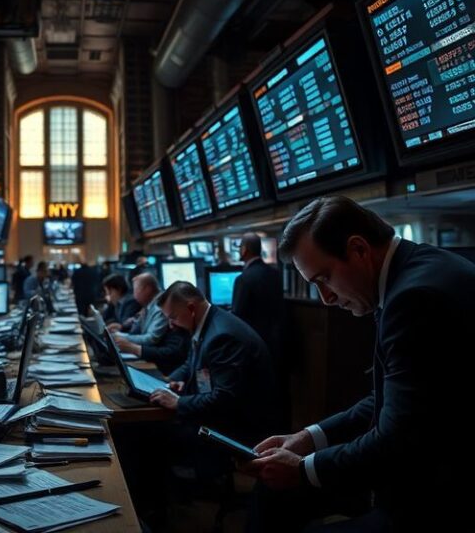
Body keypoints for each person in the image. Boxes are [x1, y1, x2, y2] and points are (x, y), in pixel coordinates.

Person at [242, 196, 475, 532]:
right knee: (274, 492)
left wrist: (304, 468)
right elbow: (387, 400)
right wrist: (309, 437)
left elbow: (396, 441)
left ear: (359, 250)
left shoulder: (414, 300)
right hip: (420, 467)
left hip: (435, 497)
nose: (326, 298)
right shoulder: (414, 273)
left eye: (323, 279)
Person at [150, 281, 280, 442]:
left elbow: (224, 398)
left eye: (173, 318)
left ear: (191, 309)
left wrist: (179, 402)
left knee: (156, 436)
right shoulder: (208, 322)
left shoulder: (222, 337)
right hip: (221, 417)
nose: (171, 326)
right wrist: (169, 381)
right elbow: (192, 363)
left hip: (237, 428)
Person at [113, 273, 189, 375]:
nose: (134, 295)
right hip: (165, 369)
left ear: (147, 289)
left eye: (136, 290)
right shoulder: (148, 306)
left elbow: (169, 349)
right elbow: (136, 330)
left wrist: (131, 346)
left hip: (164, 368)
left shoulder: (160, 306)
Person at [232, 232, 286, 366]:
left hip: (255, 345)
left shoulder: (243, 278)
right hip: (280, 342)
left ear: (244, 250)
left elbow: (238, 316)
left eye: (240, 247)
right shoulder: (276, 274)